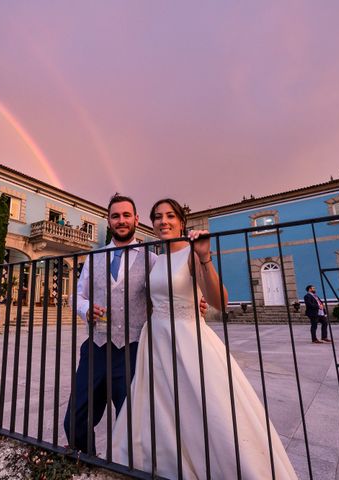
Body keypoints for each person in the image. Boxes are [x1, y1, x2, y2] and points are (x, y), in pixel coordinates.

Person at [112, 198, 297, 480]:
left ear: (182, 222)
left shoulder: (192, 253)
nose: (164, 221)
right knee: (162, 403)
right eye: (158, 217)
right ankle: (164, 461)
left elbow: (219, 302)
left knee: (203, 402)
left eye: (171, 216)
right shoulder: (156, 259)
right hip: (156, 338)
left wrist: (204, 258)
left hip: (187, 336)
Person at [63, 194, 207, 453]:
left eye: (126, 215)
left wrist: (194, 302)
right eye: (116, 216)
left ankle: (124, 466)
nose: (121, 220)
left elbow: (168, 289)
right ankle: (86, 461)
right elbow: (76, 296)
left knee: (130, 420)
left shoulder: (151, 258)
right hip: (96, 348)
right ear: (108, 221)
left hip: (133, 350)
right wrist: (85, 309)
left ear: (136, 219)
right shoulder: (94, 258)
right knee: (76, 417)